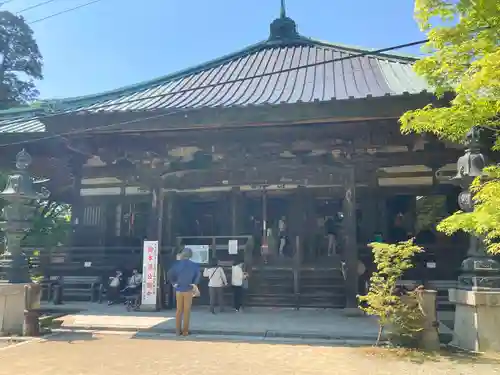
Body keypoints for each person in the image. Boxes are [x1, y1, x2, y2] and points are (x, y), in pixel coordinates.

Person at [167, 247, 200, 336]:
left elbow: (170, 274)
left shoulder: (176, 265)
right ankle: (185, 331)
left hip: (178, 289)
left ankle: (177, 331)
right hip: (188, 289)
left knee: (179, 310)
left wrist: (174, 283)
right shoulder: (195, 265)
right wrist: (194, 284)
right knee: (187, 310)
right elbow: (197, 277)